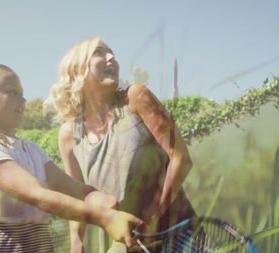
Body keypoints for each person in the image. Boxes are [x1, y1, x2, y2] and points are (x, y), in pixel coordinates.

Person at [0, 64, 142, 253]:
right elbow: (37, 194)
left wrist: (99, 198)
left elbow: (72, 188)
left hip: (39, 242)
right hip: (1, 246)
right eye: (12, 92)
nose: (22, 100)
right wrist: (104, 217)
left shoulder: (31, 150)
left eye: (22, 94)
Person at [45, 37, 196, 252]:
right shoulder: (68, 134)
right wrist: (77, 242)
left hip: (178, 233)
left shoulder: (136, 98)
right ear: (77, 71)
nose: (111, 58)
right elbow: (78, 195)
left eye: (112, 53)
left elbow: (181, 158)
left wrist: (153, 218)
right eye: (99, 52)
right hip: (127, 243)